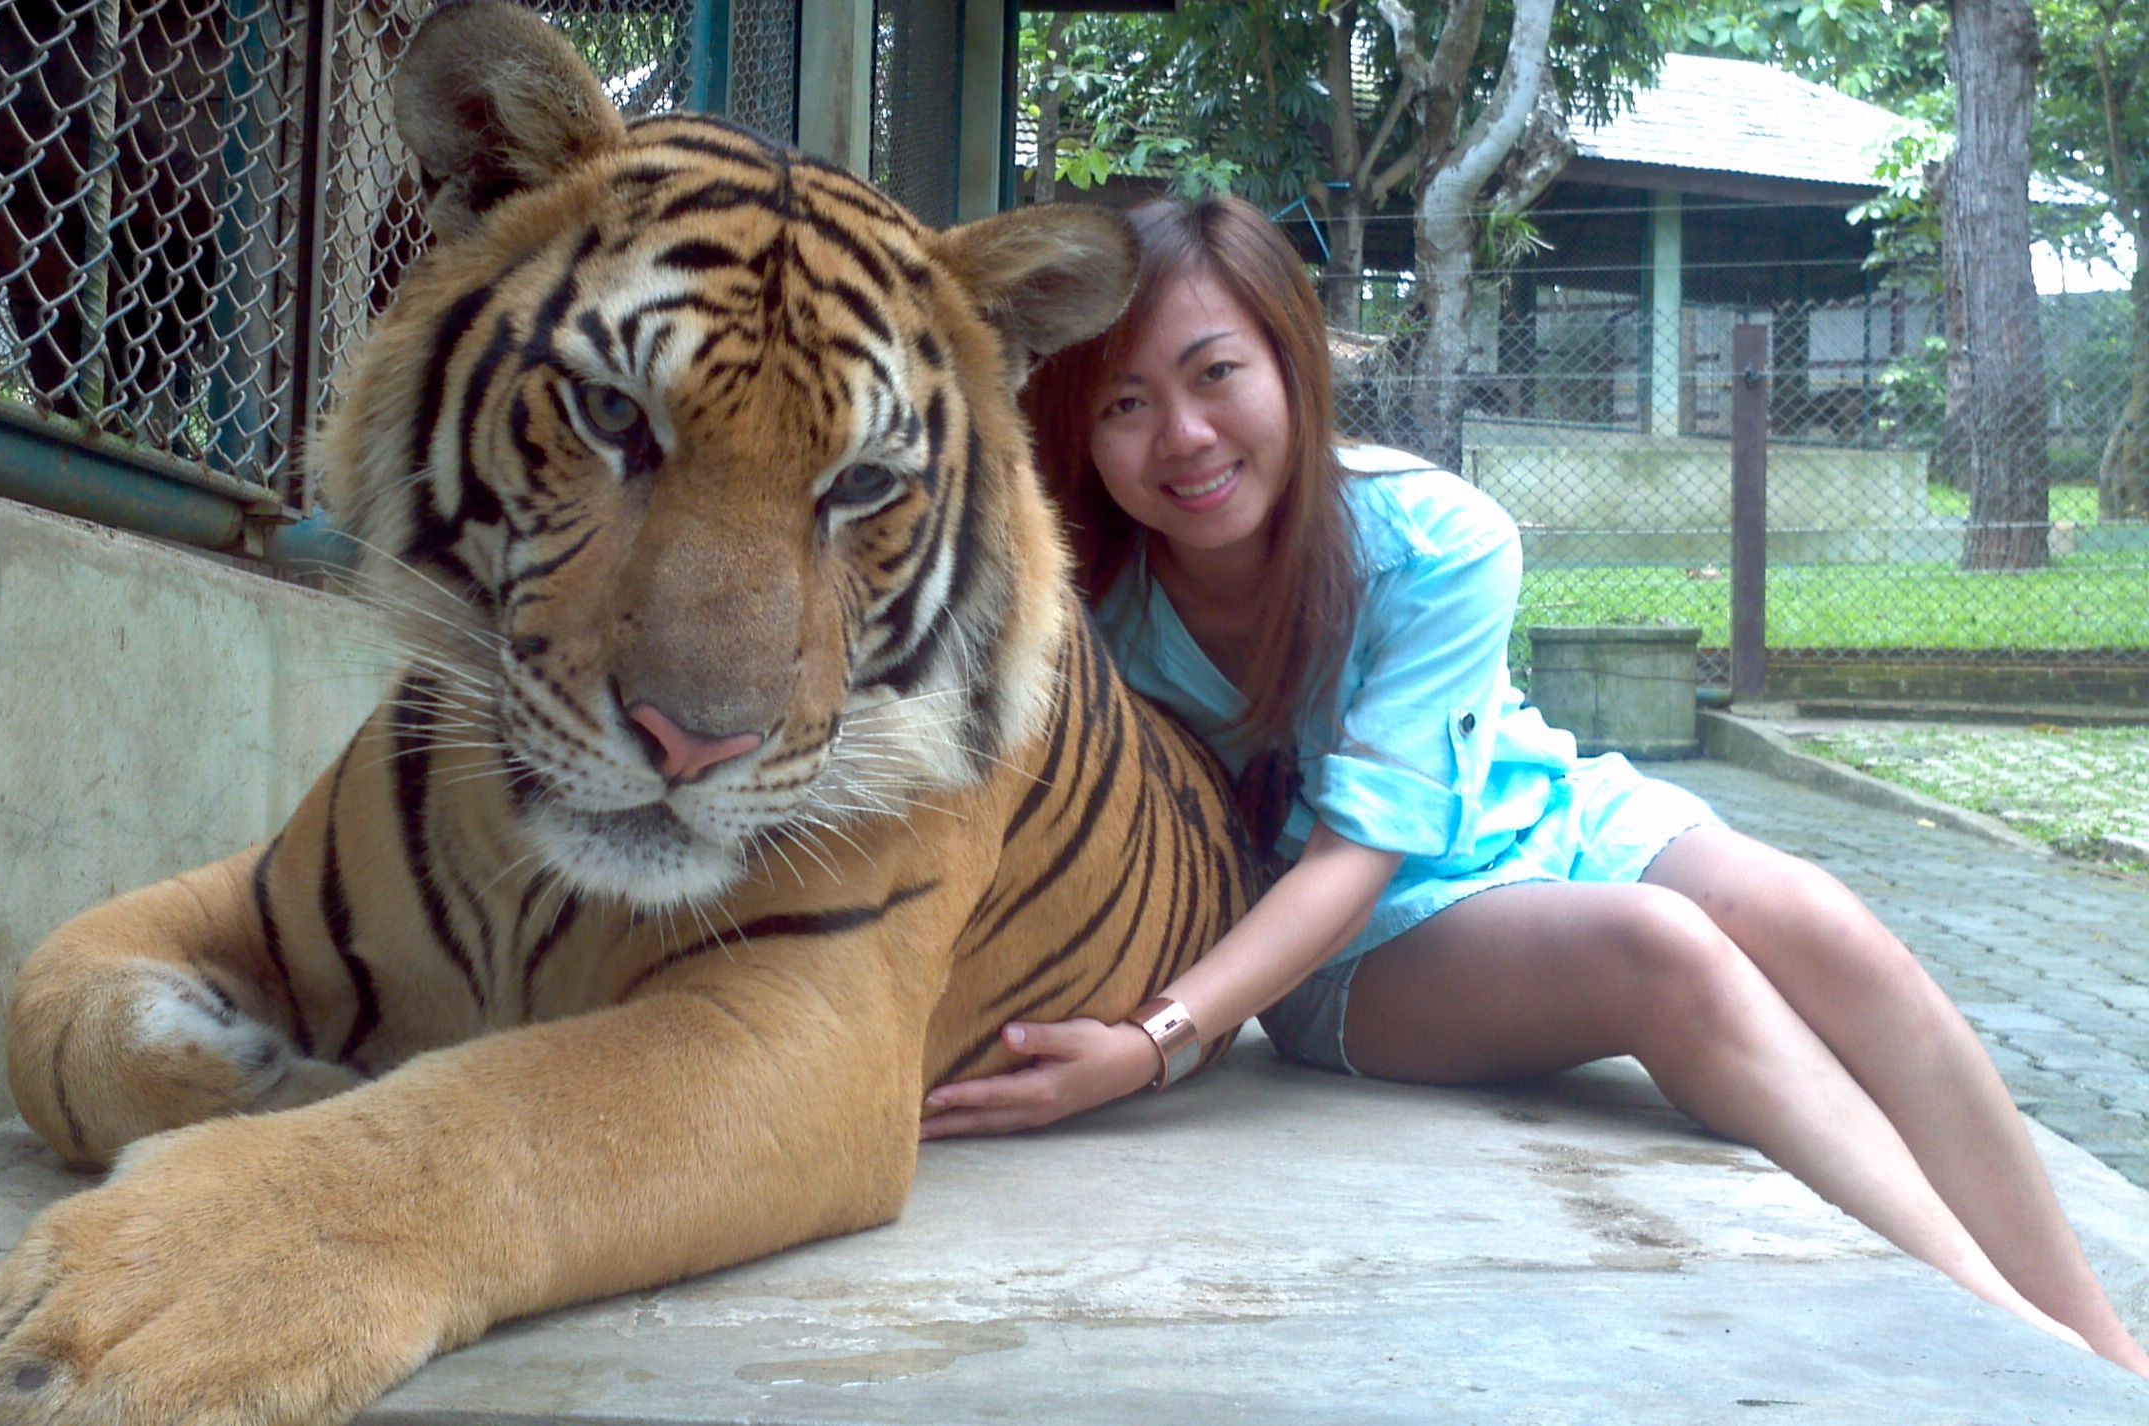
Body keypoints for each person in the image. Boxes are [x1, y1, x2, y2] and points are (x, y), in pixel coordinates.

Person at [919, 195, 2149, 1373]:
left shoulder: (1440, 538)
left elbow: (1422, 809)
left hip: (1554, 817)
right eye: (1125, 401)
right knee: (1663, 954)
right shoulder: (1085, 611)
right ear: (1075, 429)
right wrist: (1160, 1040)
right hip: (1344, 945)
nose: (1182, 434)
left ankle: (2105, 1346)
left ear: (1294, 365)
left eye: (1215, 374)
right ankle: (2014, 1345)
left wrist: (1146, 1046)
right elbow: (1352, 866)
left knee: (1831, 924)